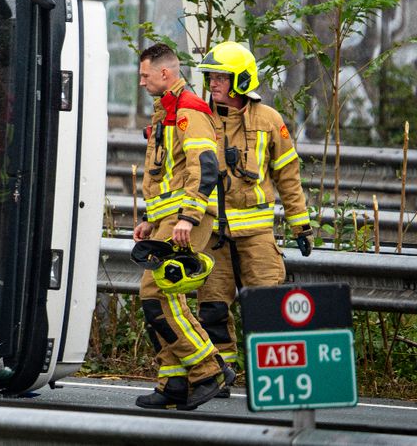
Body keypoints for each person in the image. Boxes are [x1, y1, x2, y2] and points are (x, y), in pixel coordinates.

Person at [196, 41, 313, 395]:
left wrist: (300, 224)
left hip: (256, 235)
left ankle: (275, 378)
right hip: (212, 233)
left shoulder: (269, 121)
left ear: (240, 81)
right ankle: (220, 376)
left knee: (266, 306)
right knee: (212, 306)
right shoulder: (200, 118)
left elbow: (287, 176)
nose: (213, 83)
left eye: (220, 77)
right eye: (211, 76)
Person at [133, 42, 231, 410]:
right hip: (169, 221)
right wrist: (149, 219)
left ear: (165, 73)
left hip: (186, 221)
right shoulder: (167, 112)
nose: (141, 82)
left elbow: (203, 167)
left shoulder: (189, 110)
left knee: (159, 294)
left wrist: (188, 218)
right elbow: (168, 176)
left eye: (145, 75)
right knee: (158, 297)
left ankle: (208, 370)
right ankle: (173, 381)